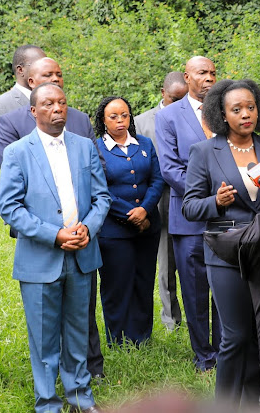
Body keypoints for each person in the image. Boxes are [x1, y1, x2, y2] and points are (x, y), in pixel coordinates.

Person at [0, 83, 111, 413]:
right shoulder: (19, 151)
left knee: (78, 331)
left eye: (62, 102)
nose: (57, 108)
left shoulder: (83, 146)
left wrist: (87, 227)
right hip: (41, 258)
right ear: (34, 111)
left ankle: (80, 397)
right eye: (48, 104)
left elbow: (101, 196)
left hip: (82, 255)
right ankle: (48, 402)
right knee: (44, 338)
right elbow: (10, 207)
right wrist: (55, 234)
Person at [183, 79, 260, 405]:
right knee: (235, 335)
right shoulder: (204, 151)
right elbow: (190, 207)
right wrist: (215, 202)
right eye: (237, 110)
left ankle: (257, 402)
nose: (246, 114)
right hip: (226, 250)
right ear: (222, 113)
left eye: (251, 107)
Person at [154, 56, 221, 371]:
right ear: (187, 76)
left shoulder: (226, 108)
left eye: (212, 72)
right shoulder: (169, 116)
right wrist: (208, 197)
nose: (209, 78)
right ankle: (204, 355)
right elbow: (169, 168)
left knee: (225, 287)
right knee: (195, 290)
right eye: (202, 72)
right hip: (190, 216)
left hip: (228, 217)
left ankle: (226, 351)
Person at [94, 96, 164, 345]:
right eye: (113, 116)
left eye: (124, 115)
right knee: (117, 284)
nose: (120, 121)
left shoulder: (144, 143)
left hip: (148, 227)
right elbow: (99, 188)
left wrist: (145, 210)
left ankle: (142, 336)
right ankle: (118, 337)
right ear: (103, 120)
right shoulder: (96, 148)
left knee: (143, 280)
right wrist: (130, 215)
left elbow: (157, 180)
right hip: (113, 230)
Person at [134, 72, 188, 331]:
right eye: (174, 98)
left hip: (188, 194)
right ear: (162, 92)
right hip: (156, 198)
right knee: (165, 261)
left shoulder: (193, 117)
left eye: (183, 98)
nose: (179, 104)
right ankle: (171, 319)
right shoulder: (142, 122)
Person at [0, 44, 46, 148]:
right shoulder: (0, 106)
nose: (45, 69)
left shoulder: (53, 99)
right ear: (20, 70)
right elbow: (6, 153)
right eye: (39, 65)